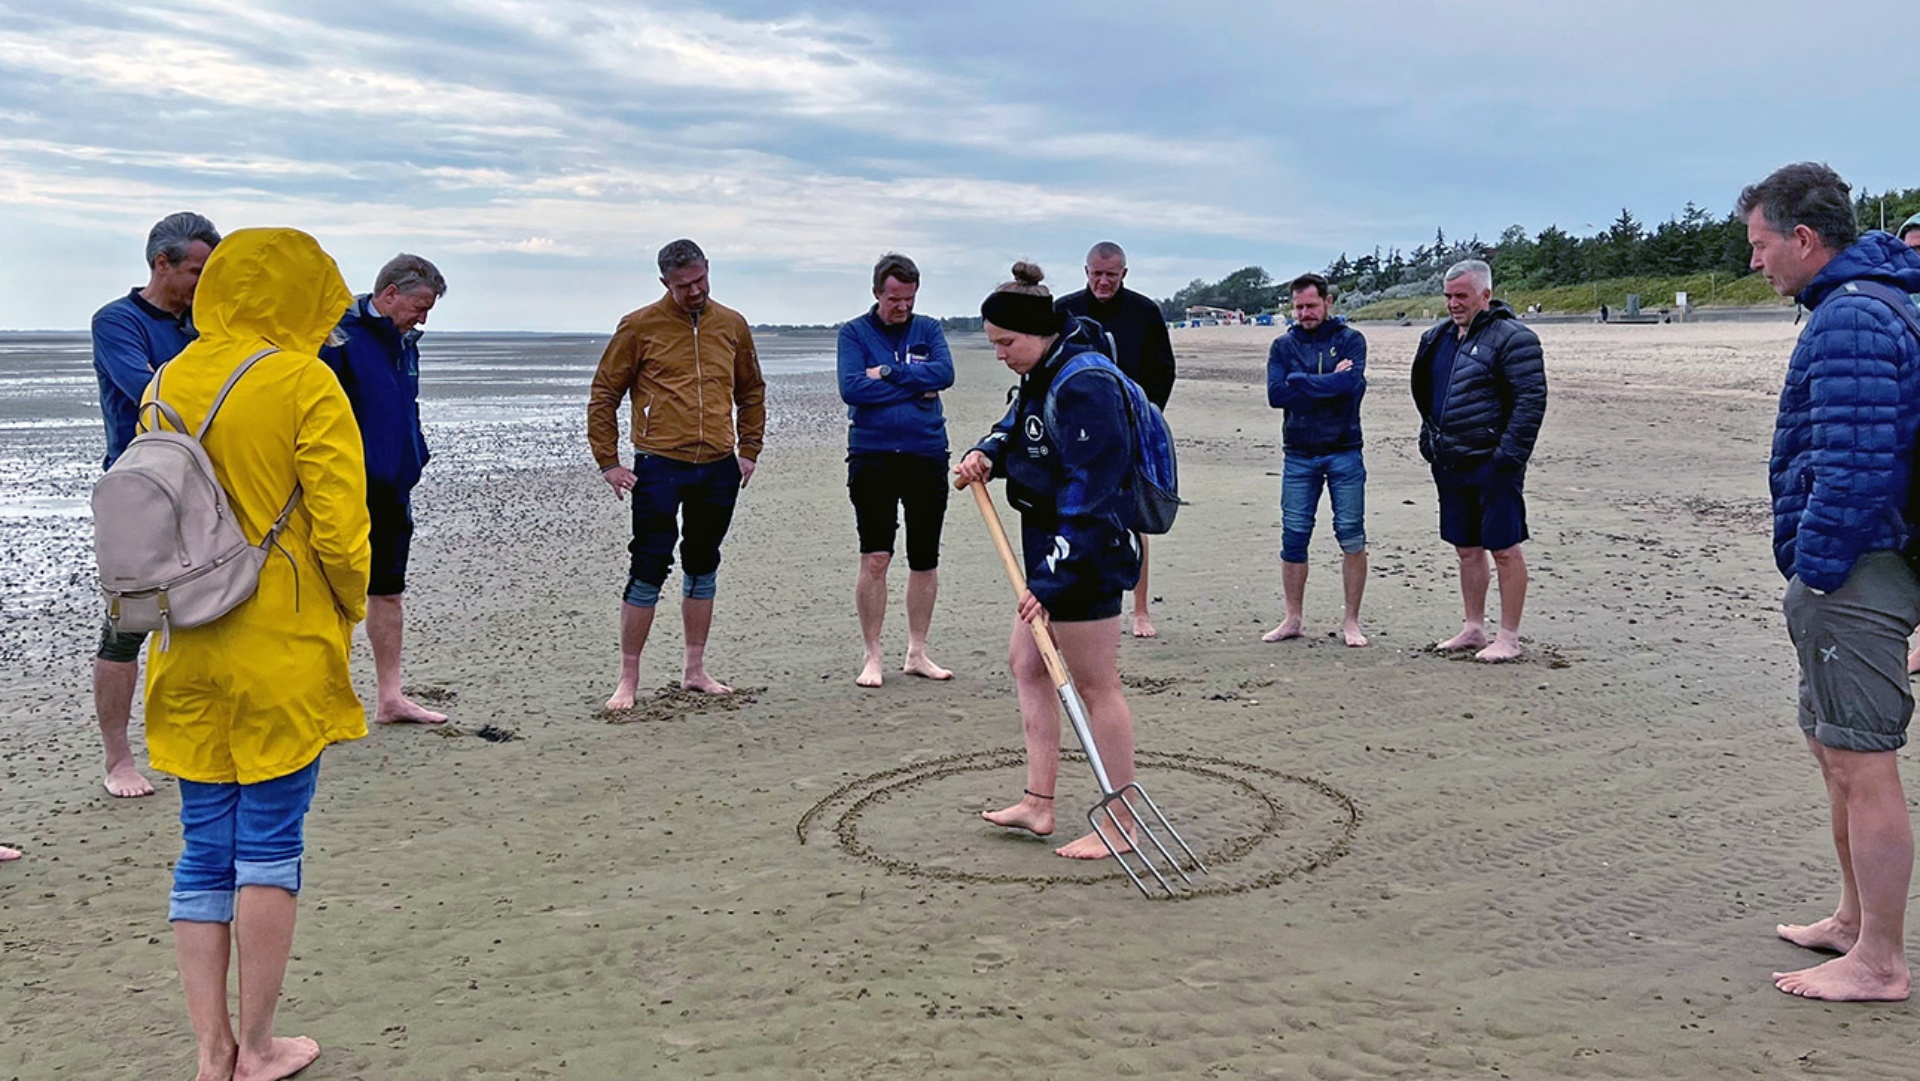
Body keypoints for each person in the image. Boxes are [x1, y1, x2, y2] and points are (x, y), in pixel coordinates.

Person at [142, 227, 371, 1081]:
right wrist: (346, 606)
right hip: (278, 640)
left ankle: (211, 1052)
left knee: (204, 845)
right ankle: (260, 1045)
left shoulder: (169, 376)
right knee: (271, 843)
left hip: (186, 636)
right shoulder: (304, 379)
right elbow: (345, 531)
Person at [1744, 162, 1920, 1002]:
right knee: (1835, 751)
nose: (1757, 261)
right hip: (1852, 567)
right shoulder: (1855, 306)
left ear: (1804, 240)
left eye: (1761, 243)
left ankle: (1881, 960)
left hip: (1858, 569)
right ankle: (1853, 922)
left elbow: (1857, 467)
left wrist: (1815, 567)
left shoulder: (1851, 317)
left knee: (1862, 758)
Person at [955, 262, 1143, 860]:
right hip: (1047, 551)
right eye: (994, 344)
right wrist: (986, 453)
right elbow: (1018, 428)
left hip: (1086, 554)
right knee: (1028, 665)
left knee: (1095, 685)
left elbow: (1094, 491)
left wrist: (1053, 579)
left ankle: (1123, 824)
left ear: (1037, 332)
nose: (1000, 354)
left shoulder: (1086, 383)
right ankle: (1039, 803)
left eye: (1005, 342)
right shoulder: (1042, 372)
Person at [588, 239, 765, 706]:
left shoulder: (732, 325)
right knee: (648, 567)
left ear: (709, 270)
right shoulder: (639, 326)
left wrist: (749, 449)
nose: (694, 291)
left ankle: (695, 668)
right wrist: (608, 462)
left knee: (703, 563)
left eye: (700, 280)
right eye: (683, 285)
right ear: (665, 282)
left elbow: (751, 391)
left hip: (718, 466)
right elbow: (604, 393)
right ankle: (628, 680)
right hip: (659, 463)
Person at [89, 210, 222, 798]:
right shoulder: (117, 321)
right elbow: (150, 392)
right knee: (127, 624)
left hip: (212, 484)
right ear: (161, 264)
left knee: (220, 609)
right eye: (197, 270)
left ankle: (211, 741)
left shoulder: (208, 322)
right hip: (142, 487)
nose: (204, 282)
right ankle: (119, 760)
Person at [319, 254, 449, 724]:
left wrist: (416, 455)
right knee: (332, 595)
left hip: (395, 486)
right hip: (343, 488)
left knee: (388, 591)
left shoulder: (405, 341)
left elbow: (402, 408)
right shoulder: (337, 336)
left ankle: (390, 697)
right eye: (419, 306)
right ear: (389, 293)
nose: (423, 317)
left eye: (429, 309)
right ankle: (326, 699)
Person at [1410, 259, 1546, 662]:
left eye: (1462, 296)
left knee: (1504, 548)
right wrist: (1429, 441)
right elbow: (1426, 395)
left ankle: (1509, 637)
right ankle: (1473, 628)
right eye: (1448, 296)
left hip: (1495, 463)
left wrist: (1508, 457)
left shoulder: (1515, 339)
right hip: (1449, 461)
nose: (1453, 303)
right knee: (1466, 548)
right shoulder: (1435, 339)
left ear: (1485, 295)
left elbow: (1530, 403)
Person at [837, 253, 956, 687]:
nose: (901, 306)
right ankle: (872, 655)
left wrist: (886, 373)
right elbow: (851, 387)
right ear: (877, 293)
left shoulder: (928, 329)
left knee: (924, 558)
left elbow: (944, 374)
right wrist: (914, 383)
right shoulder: (854, 333)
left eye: (908, 298)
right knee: (876, 557)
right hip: (873, 455)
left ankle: (917, 652)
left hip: (926, 452)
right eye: (894, 299)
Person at [1056, 241, 1175, 638]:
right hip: (1073, 433)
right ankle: (1071, 603)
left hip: (1129, 431)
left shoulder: (1145, 312)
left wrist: (1147, 418)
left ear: (1124, 274)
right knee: (1074, 513)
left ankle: (1140, 611)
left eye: (1111, 274)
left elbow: (1164, 371)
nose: (1103, 281)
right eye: (1096, 274)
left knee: (1132, 516)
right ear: (1085, 271)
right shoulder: (1064, 310)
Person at [1263, 273, 1370, 647]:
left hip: (1344, 450)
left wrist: (1301, 381)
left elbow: (1351, 387)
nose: (1305, 313)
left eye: (1311, 305)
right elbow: (1276, 394)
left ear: (1327, 303)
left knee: (1351, 535)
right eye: (1299, 307)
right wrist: (1323, 382)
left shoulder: (1350, 341)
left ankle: (1351, 621)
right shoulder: (1282, 346)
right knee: (1293, 537)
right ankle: (1292, 618)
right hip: (1299, 453)